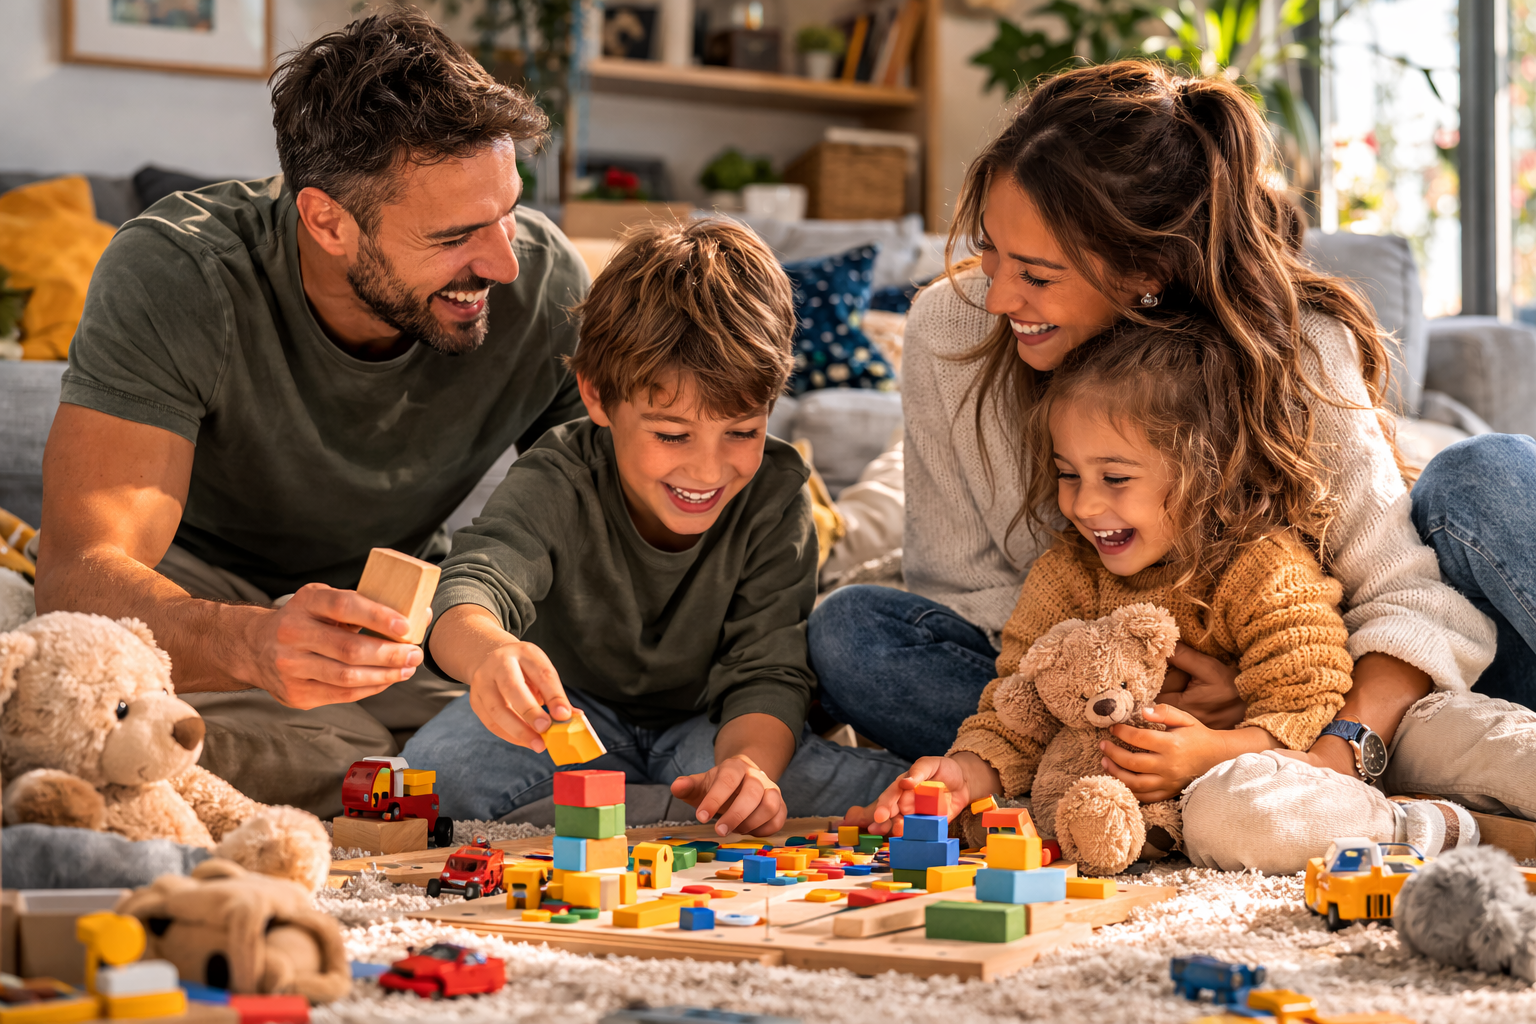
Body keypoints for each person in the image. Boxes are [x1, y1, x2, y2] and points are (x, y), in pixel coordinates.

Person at [812, 60, 1534, 870]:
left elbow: (1399, 593)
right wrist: (1135, 681)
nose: (998, 295)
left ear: (1147, 274)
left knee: (1490, 472)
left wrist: (1307, 730)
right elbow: (964, 593)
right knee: (854, 631)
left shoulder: (1294, 344)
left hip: (1332, 684)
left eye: (1037, 274)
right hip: (1097, 699)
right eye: (990, 251)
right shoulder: (948, 332)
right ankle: (1199, 789)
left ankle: (1336, 786)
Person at [33, 11, 589, 816]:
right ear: (327, 221)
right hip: (197, 604)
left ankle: (377, 772)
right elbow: (79, 576)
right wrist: (251, 643)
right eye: (457, 235)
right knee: (96, 721)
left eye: (508, 210)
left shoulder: (538, 281)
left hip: (403, 616)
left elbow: (605, 518)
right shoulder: (181, 274)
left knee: (538, 739)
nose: (503, 260)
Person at [854, 320, 1480, 863]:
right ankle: (1421, 823)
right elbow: (1019, 706)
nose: (1085, 503)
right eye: (1068, 474)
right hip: (1206, 794)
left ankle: (1432, 821)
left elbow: (1310, 696)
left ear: (1207, 472)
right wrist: (963, 772)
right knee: (1227, 817)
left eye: (1116, 477)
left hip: (1329, 747)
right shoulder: (1066, 575)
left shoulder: (1260, 564)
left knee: (1470, 739)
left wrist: (1211, 752)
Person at [400, 219, 908, 836]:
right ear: (596, 397)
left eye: (742, 431)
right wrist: (493, 654)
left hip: (712, 727)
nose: (707, 468)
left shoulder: (776, 492)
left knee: (853, 793)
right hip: (567, 717)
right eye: (671, 433)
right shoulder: (561, 472)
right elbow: (472, 585)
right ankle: (660, 815)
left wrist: (747, 769)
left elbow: (768, 671)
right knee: (432, 772)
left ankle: (648, 811)